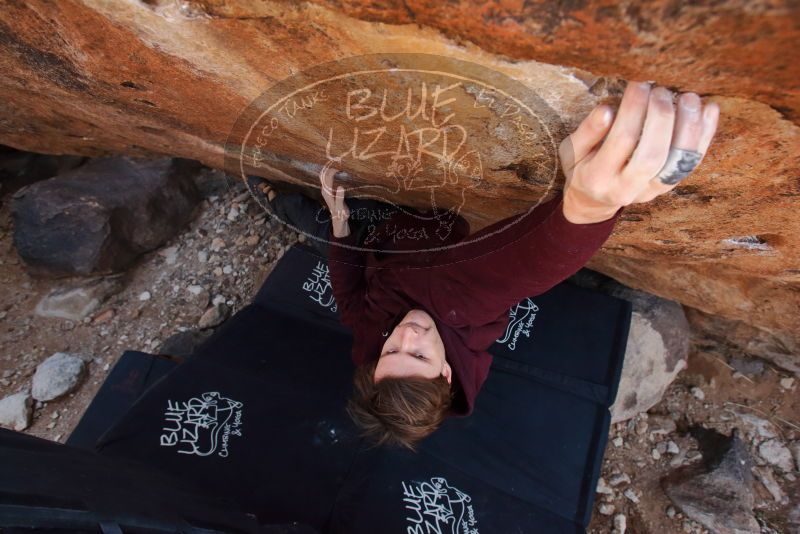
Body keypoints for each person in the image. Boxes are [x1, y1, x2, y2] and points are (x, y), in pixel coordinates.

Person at [251, 81, 720, 450]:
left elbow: (350, 301)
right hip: (429, 228)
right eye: (419, 355)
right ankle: (283, 198)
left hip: (384, 238)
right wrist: (587, 208)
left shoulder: (373, 345)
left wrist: (339, 226)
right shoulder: (461, 307)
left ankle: (279, 196)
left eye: (392, 353)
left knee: (314, 222)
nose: (407, 336)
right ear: (447, 372)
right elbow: (525, 267)